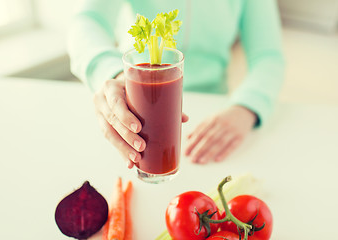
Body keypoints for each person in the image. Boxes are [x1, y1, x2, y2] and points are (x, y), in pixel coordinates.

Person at [68, 0, 285, 168]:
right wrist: (111, 73)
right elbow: (87, 22)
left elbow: (268, 55)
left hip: (214, 111)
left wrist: (247, 106)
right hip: (134, 105)